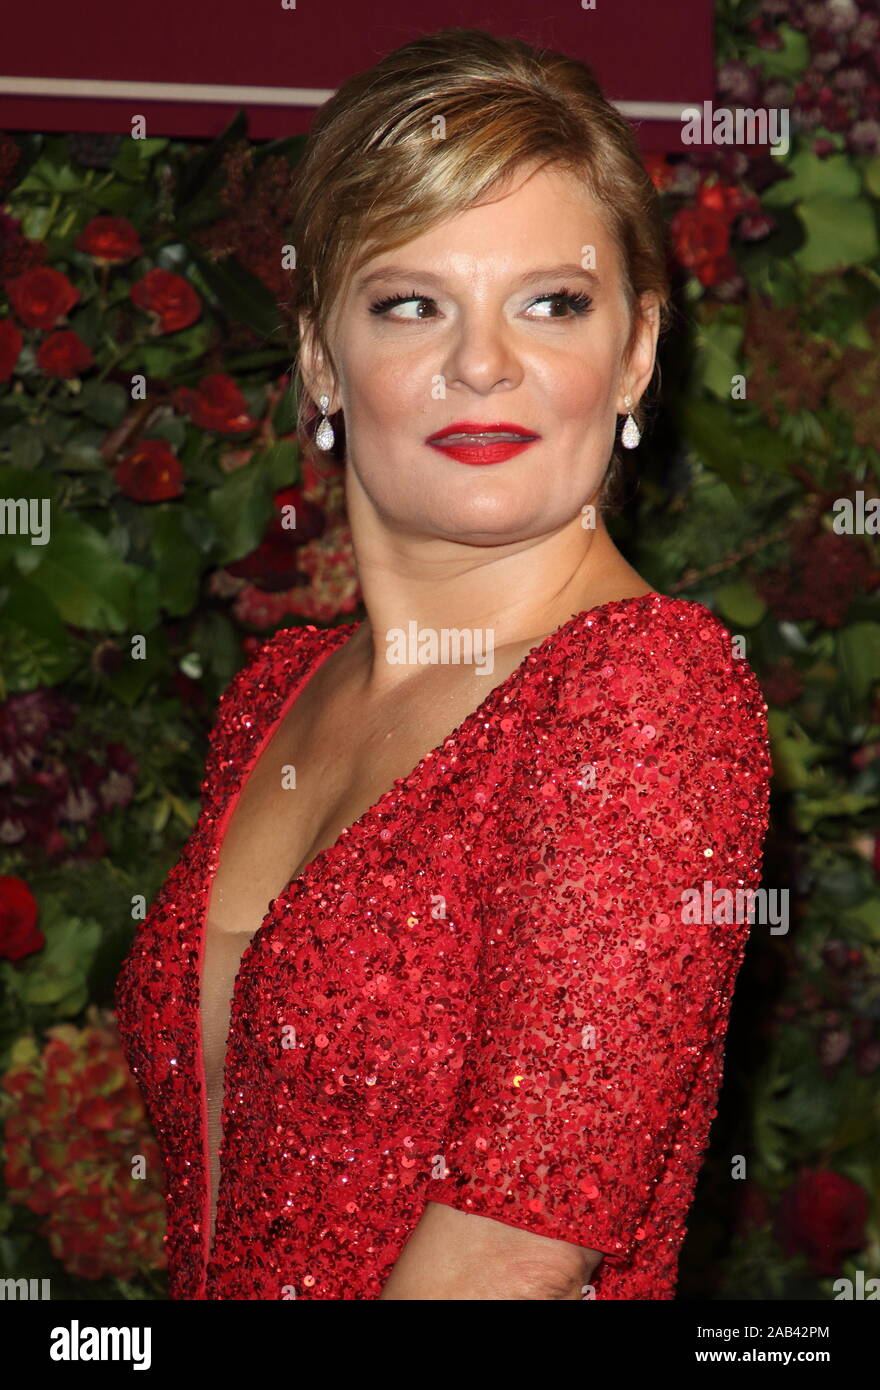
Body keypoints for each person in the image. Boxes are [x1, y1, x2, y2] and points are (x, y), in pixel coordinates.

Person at [114, 27, 771, 1300]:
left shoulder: (641, 692)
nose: (483, 363)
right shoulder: (278, 698)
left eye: (552, 302)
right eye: (412, 301)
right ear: (319, 352)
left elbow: (510, 1256)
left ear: (635, 349)